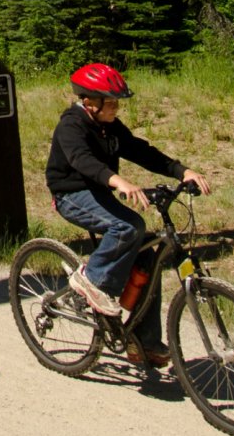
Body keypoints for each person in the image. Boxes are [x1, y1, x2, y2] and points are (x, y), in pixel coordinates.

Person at [45, 63, 211, 367]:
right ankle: (90, 281)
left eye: (117, 102)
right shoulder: (71, 125)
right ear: (89, 102)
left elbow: (140, 151)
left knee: (148, 255)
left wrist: (181, 171)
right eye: (110, 103)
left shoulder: (110, 127)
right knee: (129, 225)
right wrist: (117, 180)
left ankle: (143, 343)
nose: (116, 108)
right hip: (71, 195)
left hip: (99, 191)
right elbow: (80, 160)